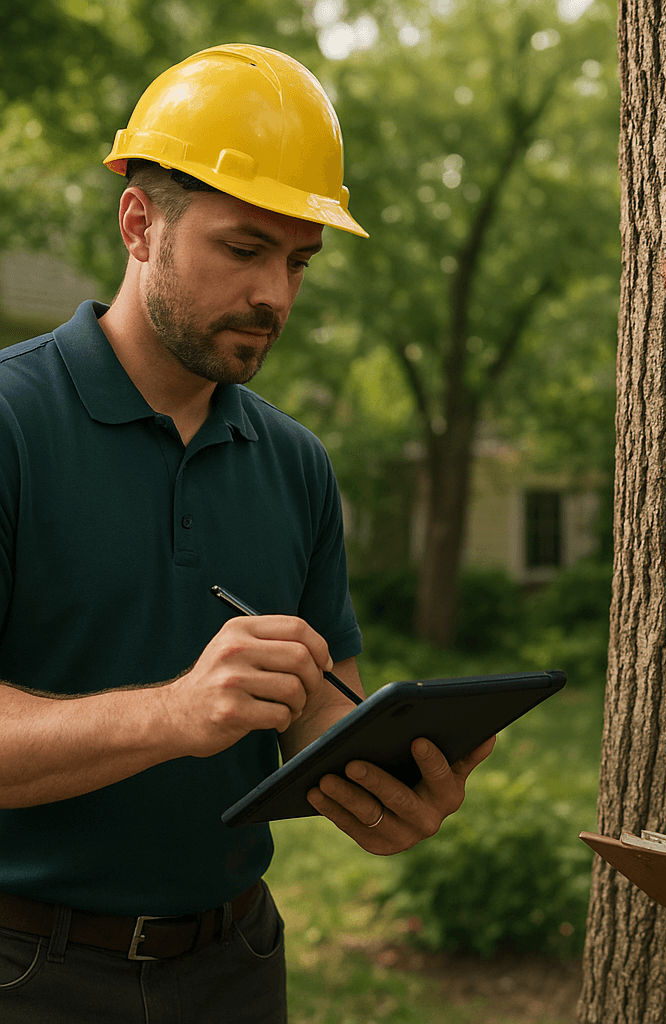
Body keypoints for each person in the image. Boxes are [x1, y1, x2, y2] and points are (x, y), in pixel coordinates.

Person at [0, 43, 492, 1022]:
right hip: (28, 971)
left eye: (298, 260)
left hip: (235, 967)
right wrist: (177, 713)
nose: (277, 294)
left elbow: (318, 709)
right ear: (139, 222)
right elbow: (192, 714)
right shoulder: (13, 422)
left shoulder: (296, 461)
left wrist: (386, 782)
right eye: (244, 249)